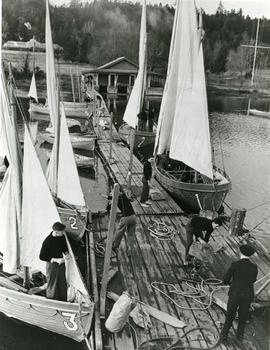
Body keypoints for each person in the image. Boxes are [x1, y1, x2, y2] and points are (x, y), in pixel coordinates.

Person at [219, 244, 257, 344]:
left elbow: (225, 279)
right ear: (250, 255)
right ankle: (239, 336)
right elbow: (253, 280)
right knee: (243, 316)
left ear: (240, 253)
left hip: (235, 294)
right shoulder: (254, 267)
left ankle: (224, 336)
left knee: (230, 315)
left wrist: (231, 283)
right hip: (248, 295)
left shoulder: (235, 264)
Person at [39, 222, 69, 301]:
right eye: (62, 232)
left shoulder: (61, 237)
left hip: (61, 264)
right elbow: (42, 256)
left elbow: (64, 247)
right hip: (52, 265)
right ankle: (51, 301)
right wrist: (55, 260)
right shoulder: (48, 241)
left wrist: (66, 253)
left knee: (62, 283)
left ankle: (63, 301)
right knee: (52, 284)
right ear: (56, 232)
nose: (63, 233)